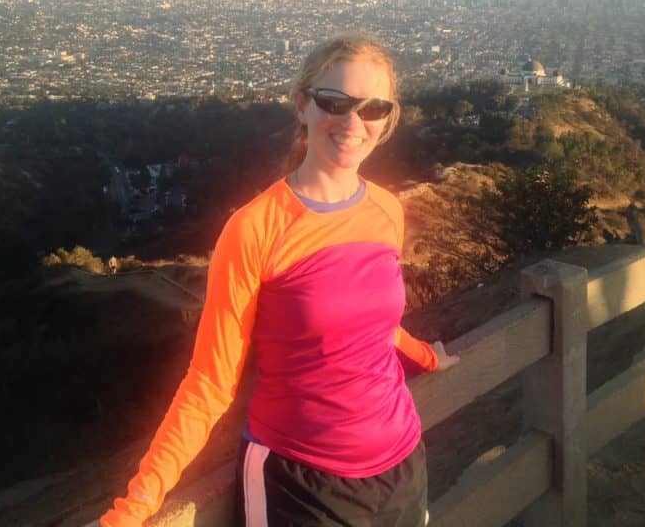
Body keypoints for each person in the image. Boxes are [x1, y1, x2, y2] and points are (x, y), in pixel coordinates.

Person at [100, 35, 459, 527]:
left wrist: (426, 356)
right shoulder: (254, 229)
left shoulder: (386, 210)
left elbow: (374, 324)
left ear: (389, 117)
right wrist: (133, 508)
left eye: (374, 107)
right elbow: (210, 382)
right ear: (302, 106)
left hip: (403, 463)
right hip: (303, 484)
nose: (355, 123)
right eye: (336, 102)